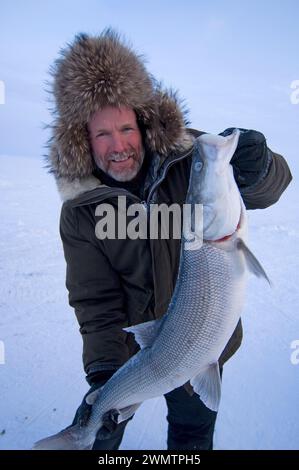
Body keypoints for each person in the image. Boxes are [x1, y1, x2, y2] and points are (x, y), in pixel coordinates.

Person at [46, 29, 292, 450]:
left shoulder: (190, 155)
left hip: (204, 341)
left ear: (143, 122)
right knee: (104, 427)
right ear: (82, 139)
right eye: (101, 133)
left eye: (125, 127)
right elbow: (96, 299)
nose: (118, 146)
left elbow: (270, 187)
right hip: (132, 350)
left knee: (192, 435)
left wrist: (260, 166)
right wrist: (105, 372)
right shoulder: (81, 212)